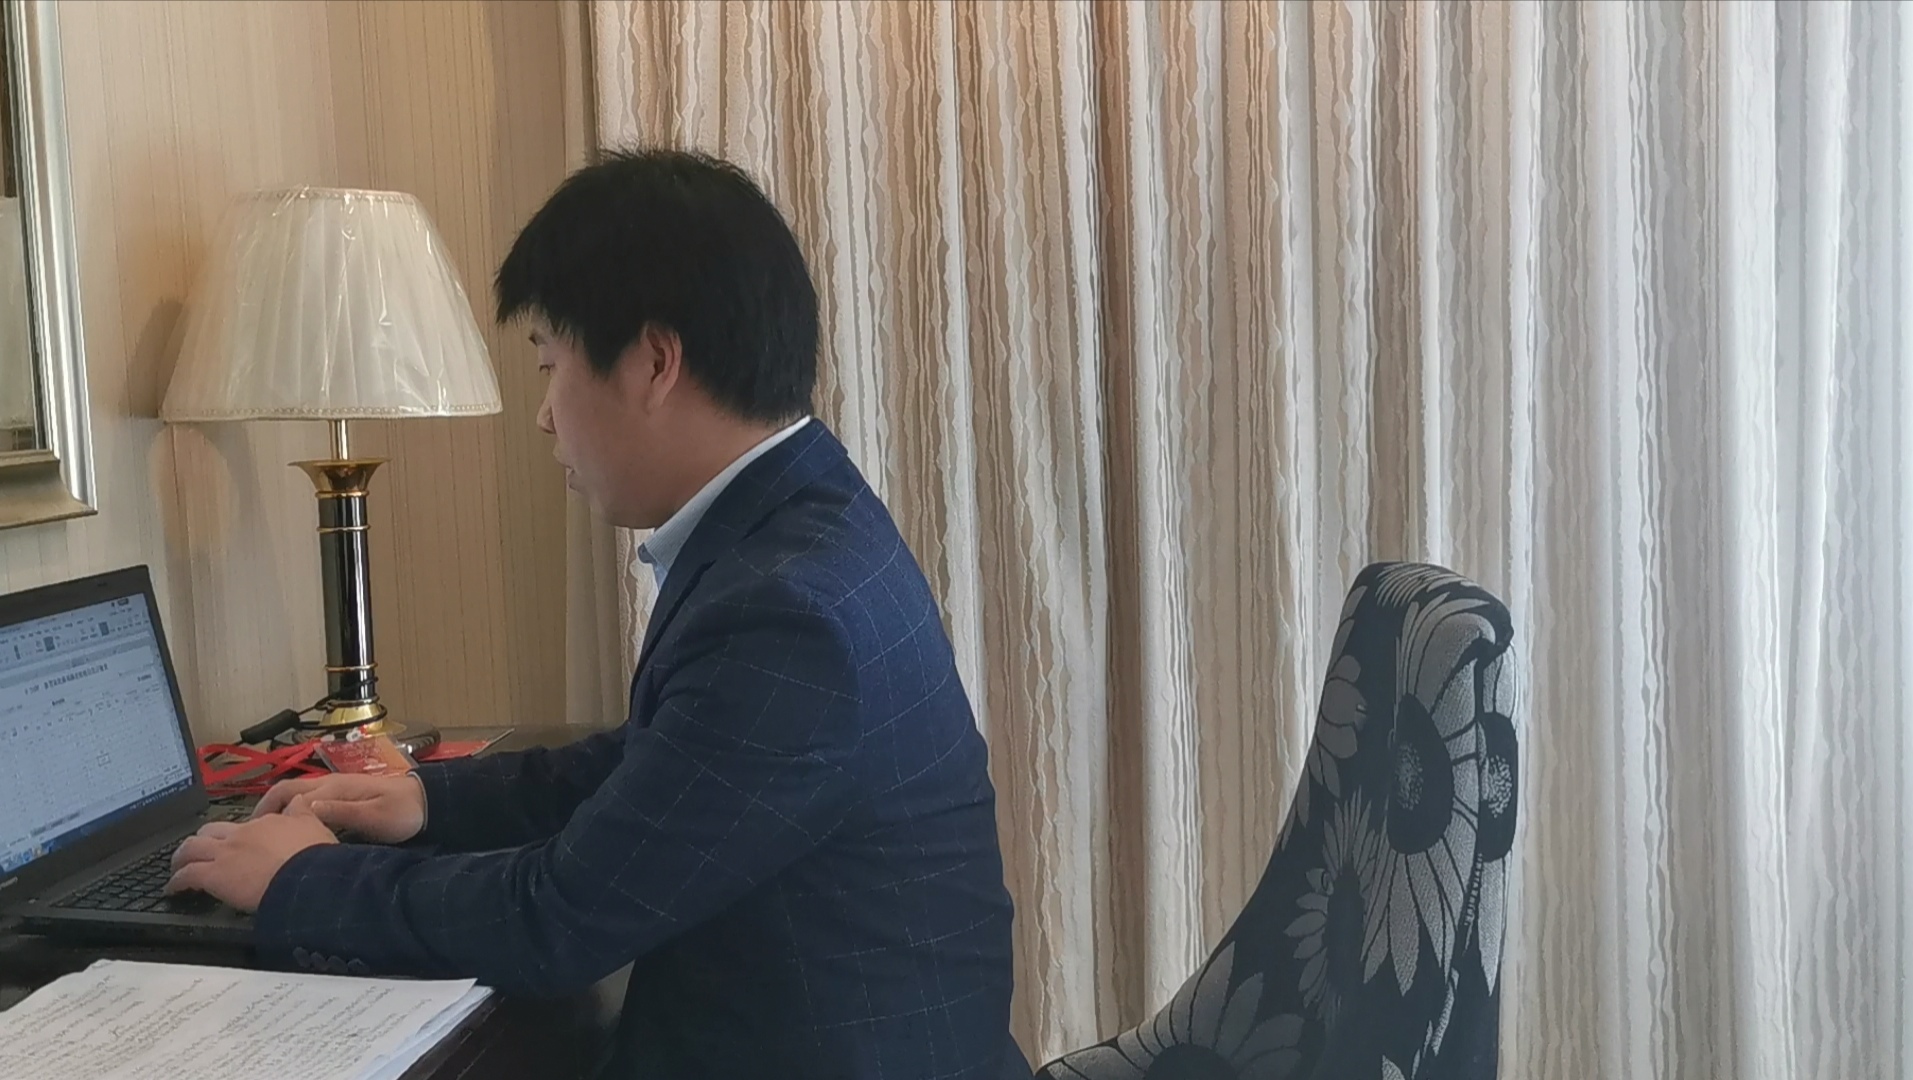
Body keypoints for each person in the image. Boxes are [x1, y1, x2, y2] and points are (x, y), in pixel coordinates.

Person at [165, 148, 1030, 1080]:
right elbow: (659, 767)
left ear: (654, 362)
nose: (545, 416)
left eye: (550, 362)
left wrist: (301, 878)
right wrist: (428, 799)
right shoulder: (808, 520)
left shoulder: (787, 610)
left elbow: (555, 920)